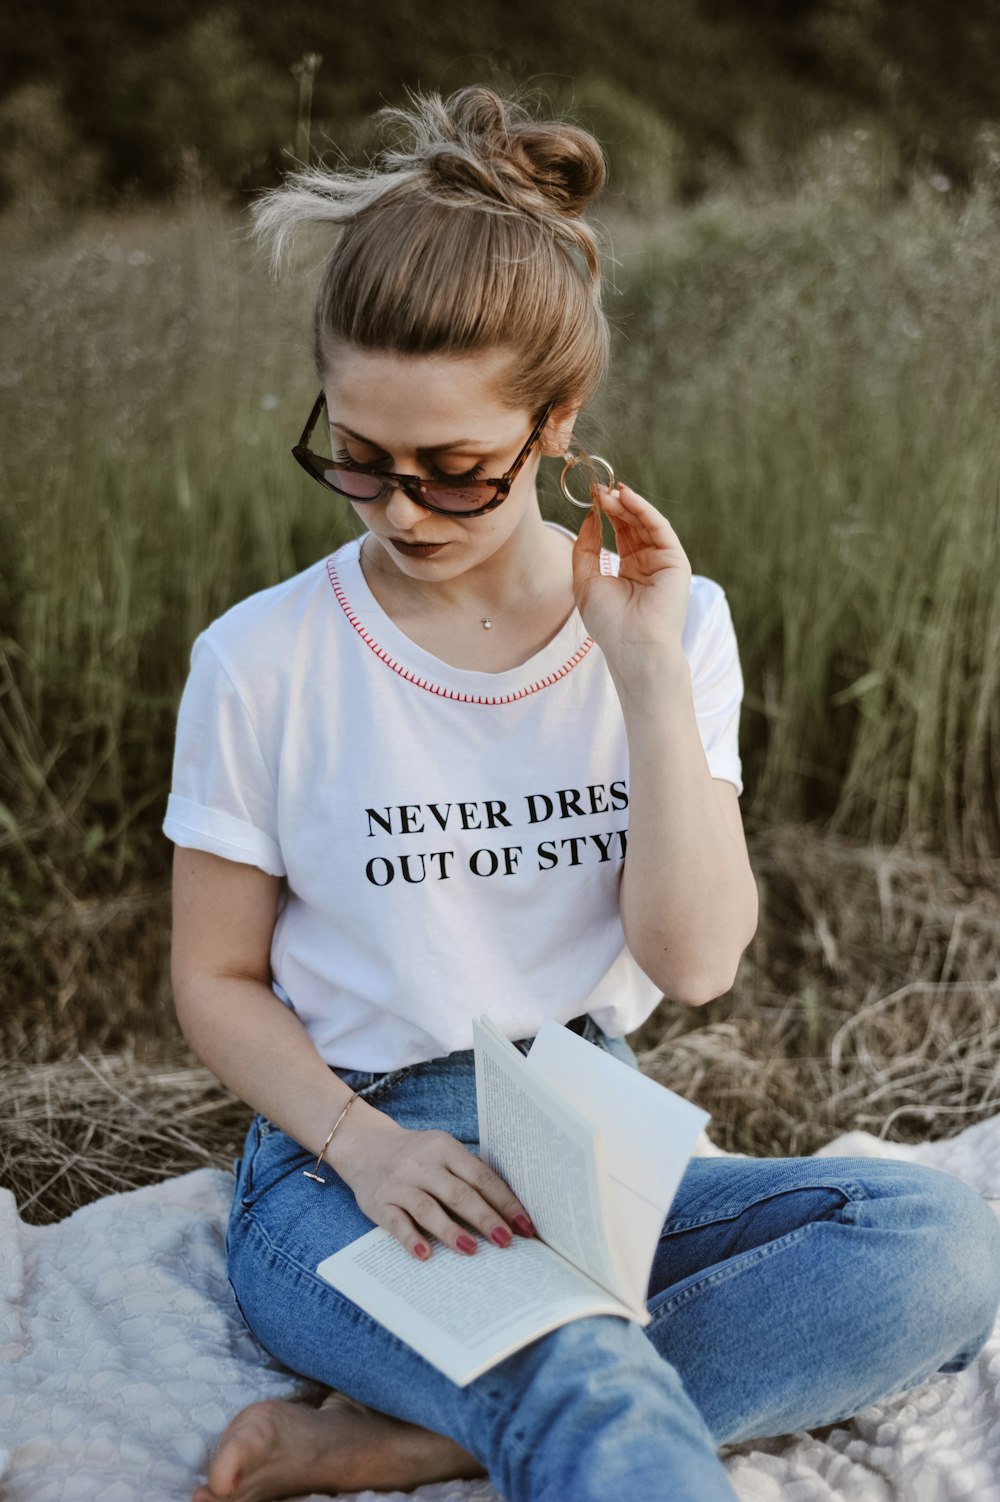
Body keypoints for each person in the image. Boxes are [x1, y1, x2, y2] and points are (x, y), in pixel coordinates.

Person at [163, 86, 1000, 1502]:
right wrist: (368, 1147)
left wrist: (646, 672)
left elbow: (693, 958)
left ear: (557, 427)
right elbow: (214, 977)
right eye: (356, 458)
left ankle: (426, 1435)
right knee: (585, 1359)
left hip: (587, 1129)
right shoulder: (261, 659)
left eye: (454, 472)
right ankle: (542, 1407)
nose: (399, 510)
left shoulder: (675, 624)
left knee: (939, 1246)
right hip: (344, 1158)